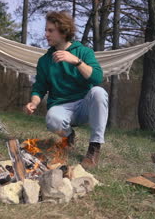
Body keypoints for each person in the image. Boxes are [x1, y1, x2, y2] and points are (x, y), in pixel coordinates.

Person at [24, 11, 108, 169]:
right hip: (61, 107)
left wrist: (76, 61)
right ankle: (69, 136)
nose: (46, 34)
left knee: (99, 92)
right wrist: (34, 102)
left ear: (63, 31)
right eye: (46, 30)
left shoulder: (84, 52)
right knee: (52, 118)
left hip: (84, 105)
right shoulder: (44, 61)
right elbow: (39, 87)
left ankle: (94, 147)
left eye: (50, 30)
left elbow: (97, 78)